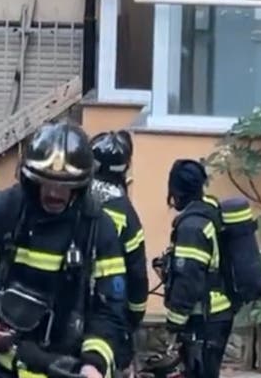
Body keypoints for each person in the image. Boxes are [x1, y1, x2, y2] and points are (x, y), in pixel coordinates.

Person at [0, 120, 130, 378]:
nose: (55, 192)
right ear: (31, 179)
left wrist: (94, 363)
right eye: (47, 182)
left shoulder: (98, 229)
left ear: (81, 185)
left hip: (64, 370)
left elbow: (110, 311)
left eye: (66, 184)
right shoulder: (4, 211)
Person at [161, 159, 234, 378]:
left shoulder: (192, 227)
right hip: (217, 313)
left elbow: (189, 279)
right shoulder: (208, 211)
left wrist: (174, 322)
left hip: (203, 317)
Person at [89, 130, 149, 375]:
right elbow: (137, 274)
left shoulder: (70, 198)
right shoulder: (126, 214)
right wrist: (134, 316)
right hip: (109, 313)